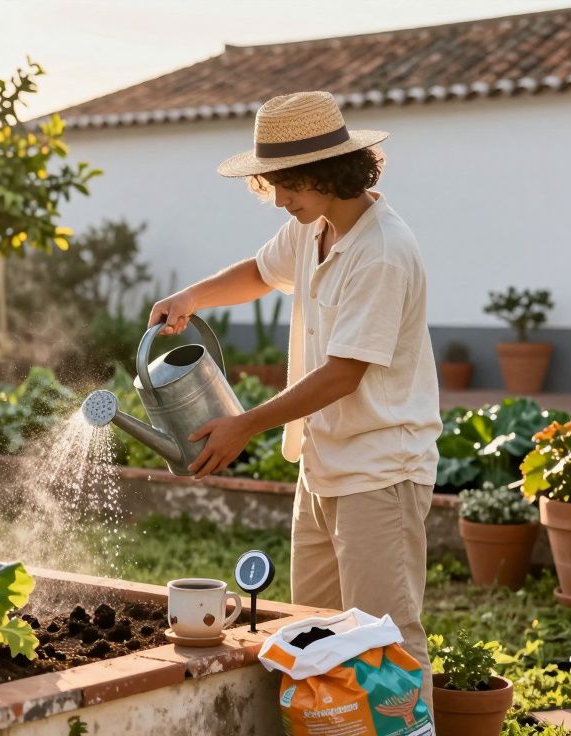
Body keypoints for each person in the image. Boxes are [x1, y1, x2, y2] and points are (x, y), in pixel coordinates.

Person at [148, 90, 441, 706]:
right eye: (274, 185)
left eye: (289, 185)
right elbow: (260, 271)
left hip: (381, 470)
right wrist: (190, 299)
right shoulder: (315, 229)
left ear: (329, 171)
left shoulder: (382, 250)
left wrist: (244, 425)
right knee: (312, 629)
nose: (280, 200)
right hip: (323, 465)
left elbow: (344, 373)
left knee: (383, 637)